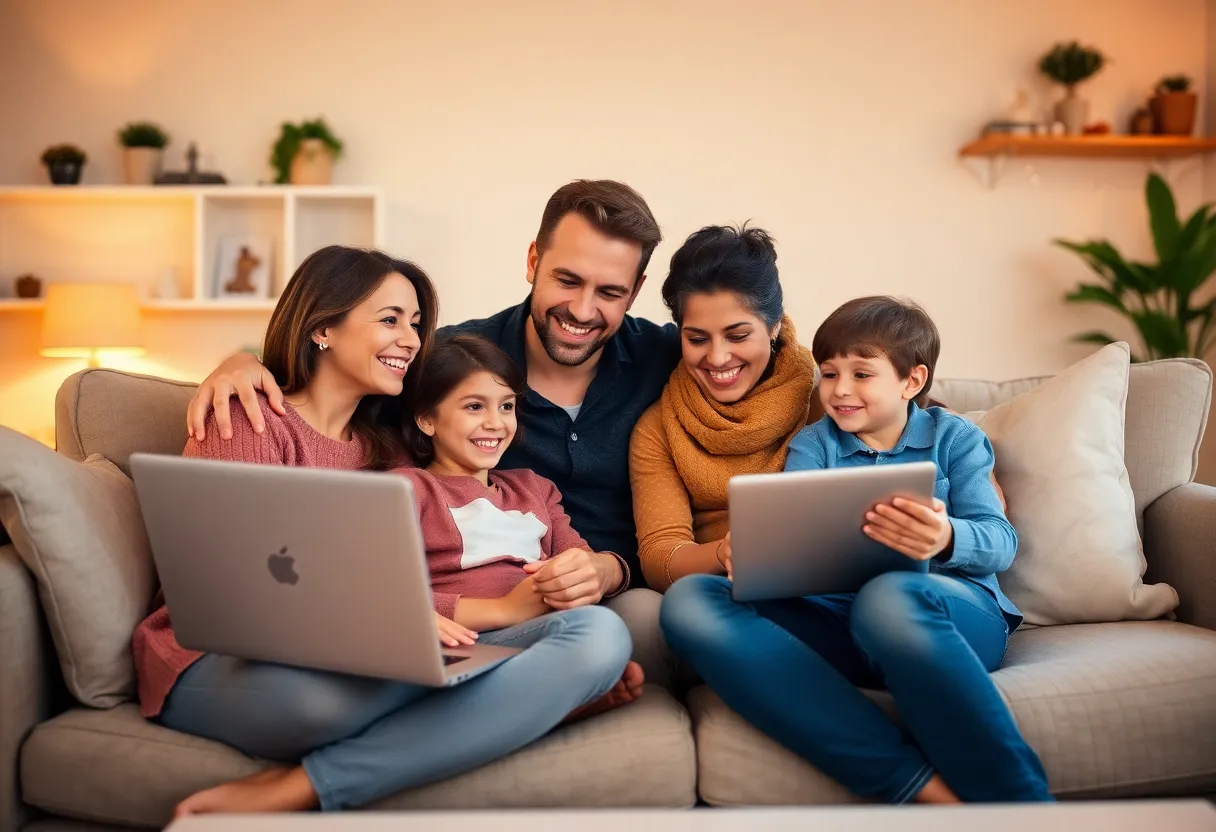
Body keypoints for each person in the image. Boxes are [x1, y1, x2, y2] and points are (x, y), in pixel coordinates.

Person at [134, 245, 639, 816]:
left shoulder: (390, 448)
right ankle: (535, 703)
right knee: (329, 703)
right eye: (390, 320)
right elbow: (226, 590)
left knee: (602, 639)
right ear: (323, 327)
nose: (411, 340)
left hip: (376, 653)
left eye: (417, 324)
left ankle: (308, 783)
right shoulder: (248, 419)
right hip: (221, 658)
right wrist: (238, 361)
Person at [185, 180, 681, 587]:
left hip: (618, 582)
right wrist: (240, 362)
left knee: (619, 629)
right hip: (484, 600)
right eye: (567, 280)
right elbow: (333, 383)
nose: (582, 309)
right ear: (533, 262)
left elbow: (743, 354)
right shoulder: (446, 362)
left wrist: (611, 568)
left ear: (636, 291)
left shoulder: (672, 356)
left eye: (610, 292)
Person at [659, 296, 1052, 804]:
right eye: (828, 374)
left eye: (862, 374)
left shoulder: (956, 439)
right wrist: (757, 554)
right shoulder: (813, 445)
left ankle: (1023, 808)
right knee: (690, 601)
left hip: (946, 619)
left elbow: (1000, 544)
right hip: (841, 621)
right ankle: (913, 785)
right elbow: (795, 541)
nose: (839, 390)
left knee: (890, 595)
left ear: (912, 381)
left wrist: (946, 536)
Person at [394, 332, 640, 628]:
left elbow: (581, 561)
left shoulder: (534, 488)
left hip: (550, 631)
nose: (495, 423)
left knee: (605, 627)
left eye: (506, 406)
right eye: (474, 406)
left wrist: (588, 575)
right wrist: (504, 608)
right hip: (470, 640)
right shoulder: (409, 489)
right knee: (599, 631)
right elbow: (383, 592)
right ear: (427, 420)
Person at [628, 224, 818, 590]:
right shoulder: (660, 428)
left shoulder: (827, 400)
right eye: (697, 339)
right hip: (720, 590)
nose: (717, 358)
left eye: (738, 335)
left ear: (774, 325)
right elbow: (659, 558)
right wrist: (724, 553)